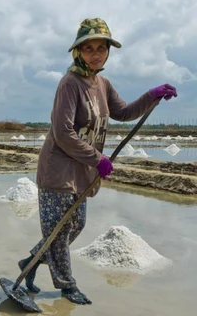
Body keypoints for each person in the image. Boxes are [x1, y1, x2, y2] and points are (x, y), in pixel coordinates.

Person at [17, 17, 178, 305]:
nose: (95, 54)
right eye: (88, 48)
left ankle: (31, 260)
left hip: (81, 172)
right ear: (77, 51)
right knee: (59, 230)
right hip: (57, 170)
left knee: (73, 226)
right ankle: (67, 286)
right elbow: (63, 133)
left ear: (107, 52)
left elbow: (125, 112)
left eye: (101, 48)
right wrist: (98, 158)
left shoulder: (102, 83)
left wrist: (152, 96)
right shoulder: (69, 84)